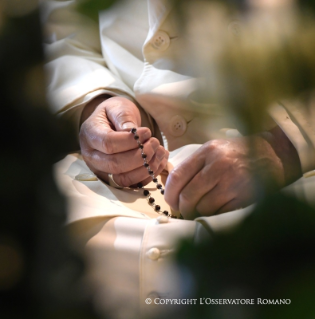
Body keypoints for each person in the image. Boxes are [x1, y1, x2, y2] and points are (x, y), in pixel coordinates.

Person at [43, 0, 315, 317]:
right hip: (103, 185)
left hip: (294, 178)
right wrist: (94, 101)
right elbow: (64, 29)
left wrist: (283, 146)